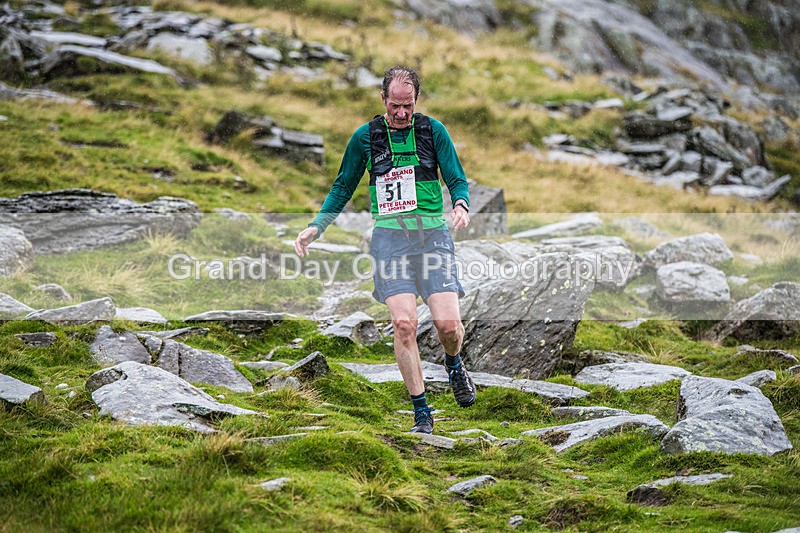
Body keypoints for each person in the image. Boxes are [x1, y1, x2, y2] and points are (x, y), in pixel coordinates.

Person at [294, 66, 476, 434]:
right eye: (395, 106)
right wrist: (317, 225)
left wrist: (460, 204)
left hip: (433, 238)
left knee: (447, 325)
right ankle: (422, 411)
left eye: (407, 106)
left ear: (416, 101)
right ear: (383, 100)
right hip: (390, 240)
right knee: (404, 324)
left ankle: (454, 364)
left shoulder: (433, 131)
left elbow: (456, 177)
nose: (401, 113)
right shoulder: (365, 137)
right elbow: (343, 186)